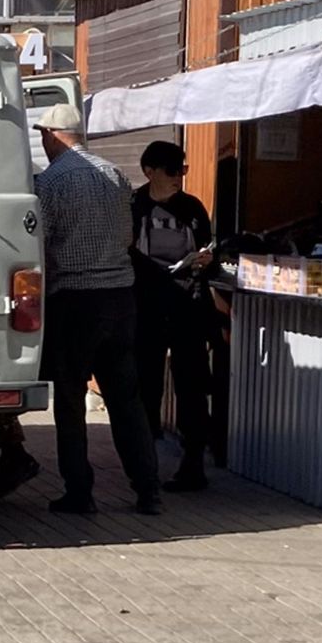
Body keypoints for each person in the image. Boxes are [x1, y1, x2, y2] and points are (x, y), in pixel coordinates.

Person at [30, 103, 162, 516]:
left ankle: (79, 492)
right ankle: (148, 490)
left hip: (74, 300)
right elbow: (127, 236)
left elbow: (40, 244)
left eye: (42, 135)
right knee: (126, 399)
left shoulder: (49, 182)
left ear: (52, 135)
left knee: (70, 401)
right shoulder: (115, 174)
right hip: (121, 298)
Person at [130, 141, 215, 492]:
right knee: (144, 385)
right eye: (171, 170)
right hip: (147, 307)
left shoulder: (192, 207)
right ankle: (144, 470)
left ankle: (193, 463)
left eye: (183, 169)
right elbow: (124, 252)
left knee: (192, 385)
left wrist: (206, 259)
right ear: (149, 171)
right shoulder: (133, 206)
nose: (178, 176)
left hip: (188, 306)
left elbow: (207, 246)